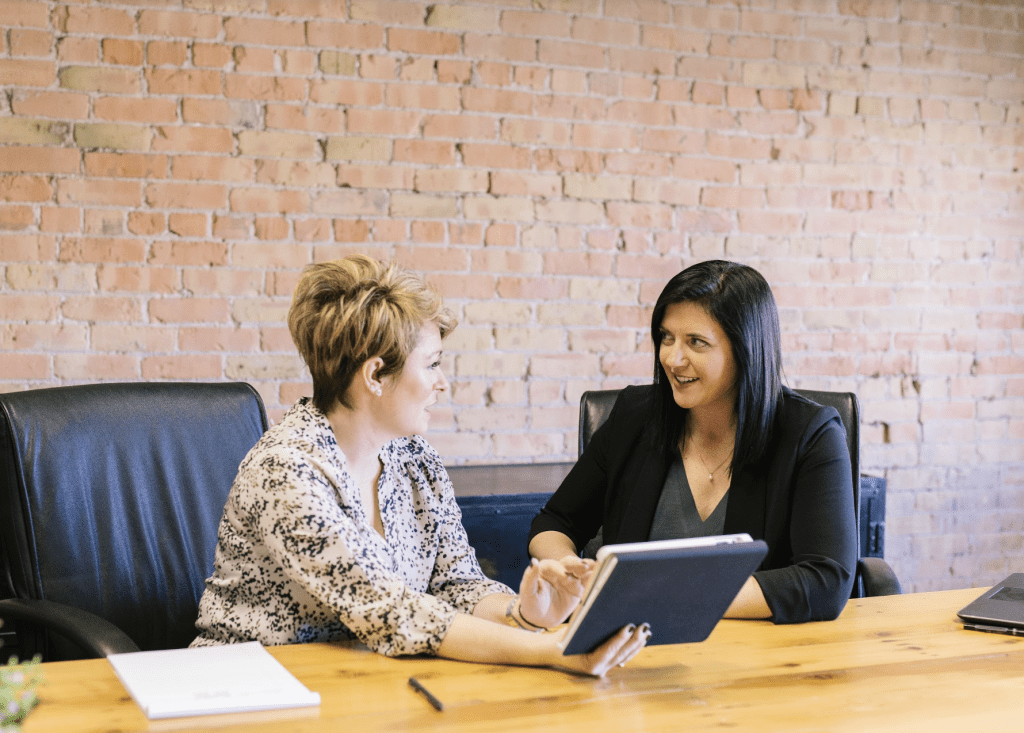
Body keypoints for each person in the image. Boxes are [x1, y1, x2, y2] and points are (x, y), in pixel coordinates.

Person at [192, 255, 648, 676]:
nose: (443, 383)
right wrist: (552, 650)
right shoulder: (286, 471)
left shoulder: (414, 458)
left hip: (365, 682)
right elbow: (392, 611)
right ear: (375, 375)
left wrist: (525, 614)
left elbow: (457, 583)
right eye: (431, 364)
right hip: (246, 688)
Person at [528, 260, 858, 624]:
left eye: (696, 342)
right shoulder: (635, 416)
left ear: (746, 349)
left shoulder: (811, 434)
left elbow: (825, 579)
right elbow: (555, 522)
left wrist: (664, 596)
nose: (672, 358)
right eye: (666, 338)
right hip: (631, 649)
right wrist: (566, 570)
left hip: (757, 654)